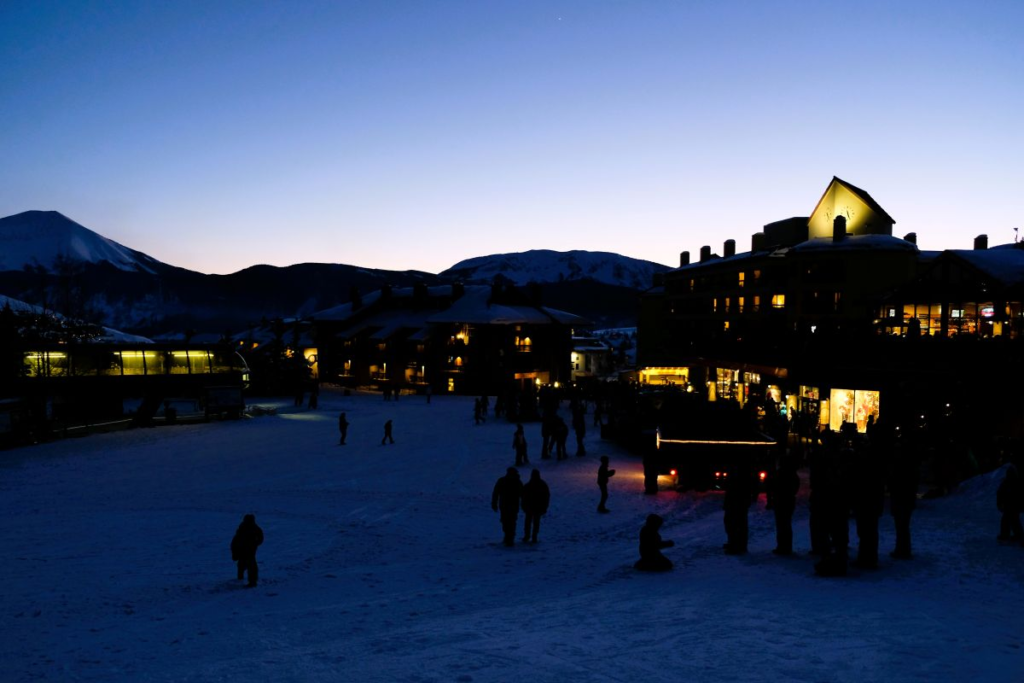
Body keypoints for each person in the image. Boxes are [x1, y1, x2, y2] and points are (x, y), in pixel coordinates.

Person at [723, 462, 753, 554]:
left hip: (738, 502)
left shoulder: (741, 477)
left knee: (736, 524)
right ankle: (735, 544)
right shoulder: (740, 476)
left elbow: (734, 490)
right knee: (733, 523)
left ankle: (737, 545)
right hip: (736, 502)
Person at [772, 457, 800, 555]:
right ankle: (785, 546)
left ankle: (783, 547)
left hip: (782, 500)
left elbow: (775, 485)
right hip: (788, 500)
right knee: (785, 524)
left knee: (782, 524)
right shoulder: (792, 473)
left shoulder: (781, 473)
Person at [491, 467, 523, 546]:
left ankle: (510, 537)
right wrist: (494, 503)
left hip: (510, 505)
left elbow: (522, 494)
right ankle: (508, 536)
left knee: (510, 521)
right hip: (506, 505)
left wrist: (494, 503)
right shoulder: (503, 481)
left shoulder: (516, 482)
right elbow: (496, 492)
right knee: (507, 521)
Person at [231, 514, 264, 587]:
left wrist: (255, 543)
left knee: (251, 565)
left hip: (250, 550)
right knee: (241, 564)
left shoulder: (255, 528)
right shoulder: (242, 527)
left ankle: (252, 582)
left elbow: (260, 539)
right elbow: (236, 538)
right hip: (241, 549)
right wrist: (234, 550)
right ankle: (241, 578)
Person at [521, 469, 550, 543]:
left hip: (533, 507)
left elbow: (546, 497)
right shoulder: (542, 485)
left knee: (531, 522)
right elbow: (546, 497)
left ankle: (530, 536)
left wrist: (523, 506)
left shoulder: (529, 485)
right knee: (533, 523)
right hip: (534, 507)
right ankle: (532, 536)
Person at [997, 464, 1023, 544]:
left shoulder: (1017, 483)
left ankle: (1017, 536)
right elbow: (1000, 494)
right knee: (1007, 520)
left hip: (1014, 506)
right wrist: (1000, 504)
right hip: (1008, 506)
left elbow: (1021, 495)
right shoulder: (1006, 483)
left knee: (1014, 520)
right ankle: (1007, 535)